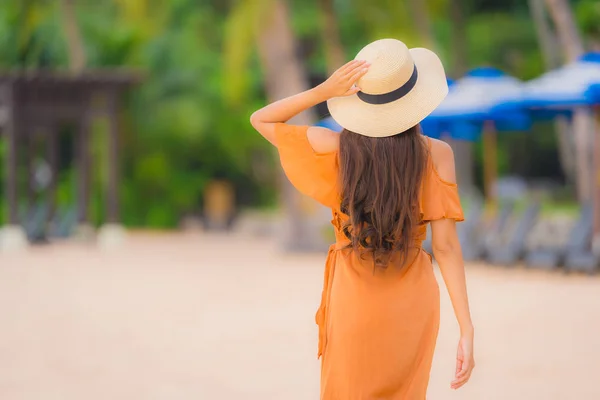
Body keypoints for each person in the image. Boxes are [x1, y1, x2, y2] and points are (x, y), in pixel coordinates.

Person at [250, 38, 474, 399]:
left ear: (358, 99)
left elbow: (260, 118)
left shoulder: (333, 148)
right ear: (414, 98)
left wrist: (324, 90)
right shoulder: (438, 155)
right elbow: (446, 249)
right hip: (412, 304)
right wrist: (466, 328)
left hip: (353, 297)